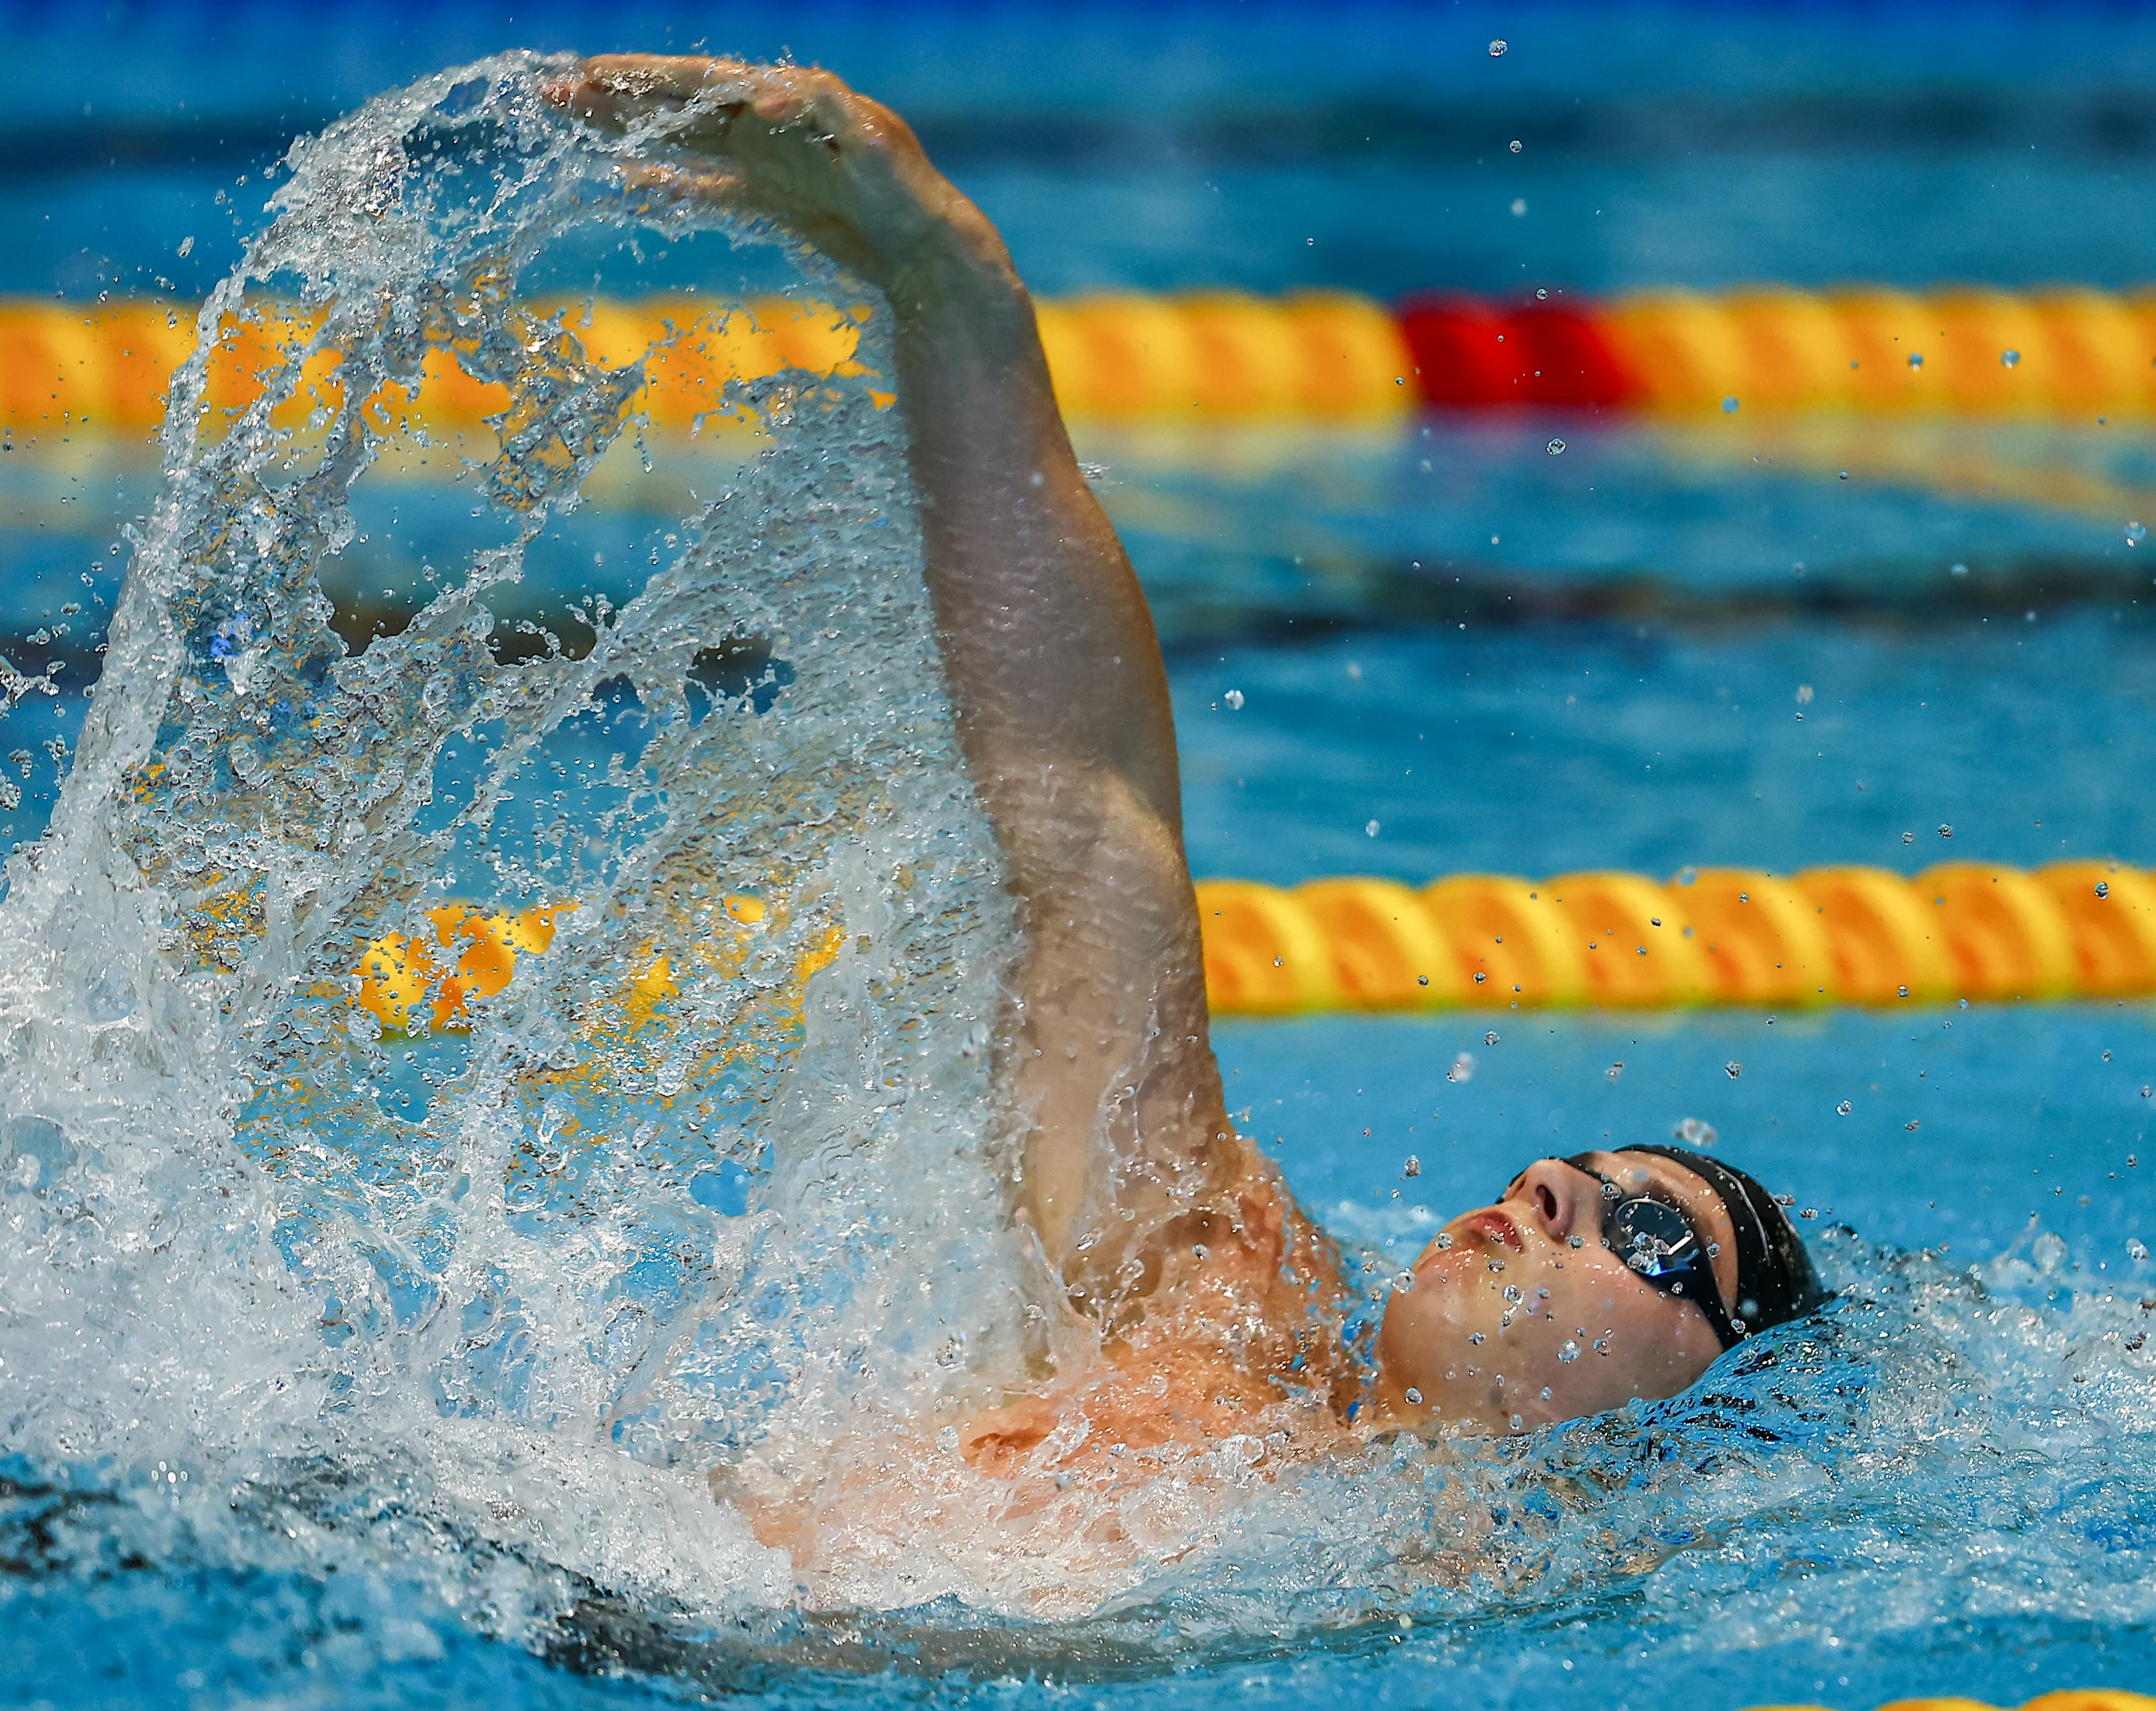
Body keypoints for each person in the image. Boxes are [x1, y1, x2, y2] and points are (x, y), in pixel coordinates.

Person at [550, 58, 1826, 1468]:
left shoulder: (1531, 1602)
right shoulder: (1225, 1309)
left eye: (1645, 1229)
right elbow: (1084, 822)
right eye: (1577, 1170)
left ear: (1695, 1398)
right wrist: (948, 274)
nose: (1541, 1185)